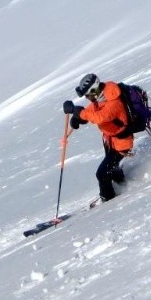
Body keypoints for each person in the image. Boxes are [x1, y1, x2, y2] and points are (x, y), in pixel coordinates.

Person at [63, 72, 135, 202]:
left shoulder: (114, 102)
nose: (88, 99)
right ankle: (124, 186)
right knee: (112, 169)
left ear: (94, 91)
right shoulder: (102, 97)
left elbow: (100, 117)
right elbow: (93, 110)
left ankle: (108, 201)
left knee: (102, 174)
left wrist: (78, 112)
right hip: (110, 141)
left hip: (122, 143)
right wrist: (78, 118)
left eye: (88, 95)